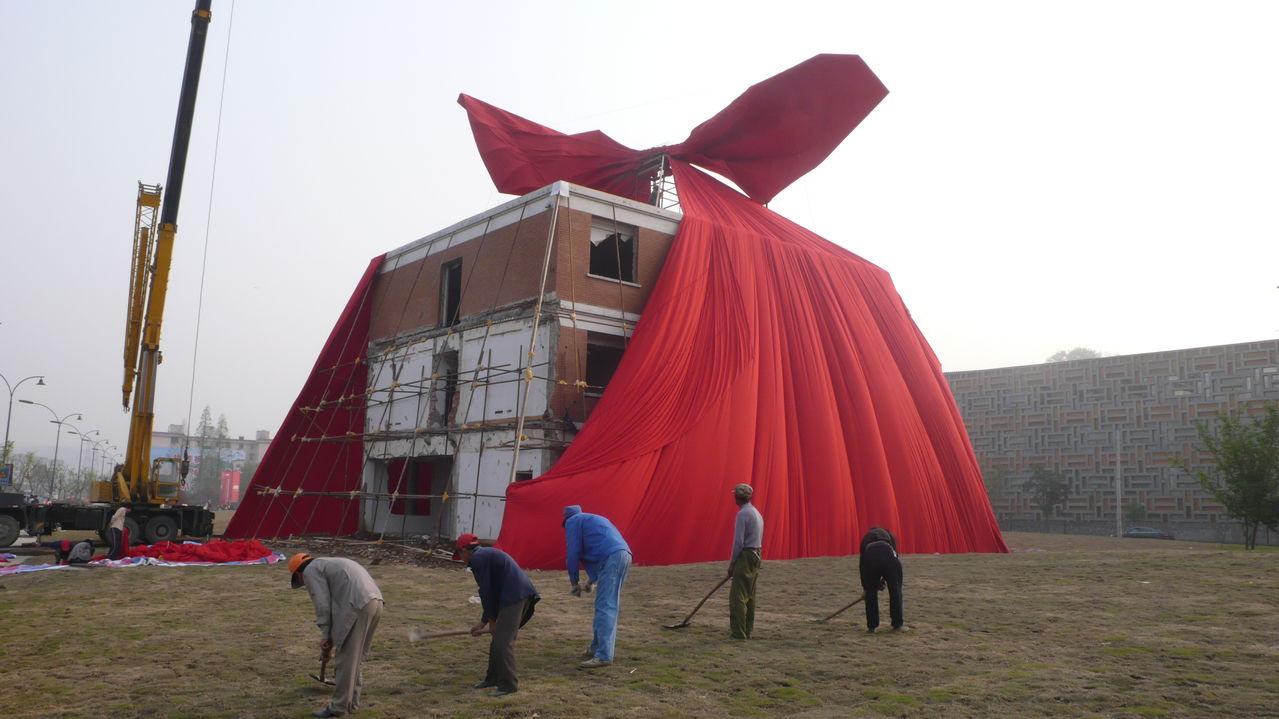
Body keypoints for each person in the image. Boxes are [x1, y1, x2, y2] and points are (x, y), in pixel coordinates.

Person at [289, 552, 384, 718]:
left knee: (345, 660)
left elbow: (322, 604)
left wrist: (326, 635)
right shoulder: (329, 563)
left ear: (298, 574)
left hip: (357, 605)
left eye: (301, 582)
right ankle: (352, 705)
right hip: (376, 602)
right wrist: (330, 639)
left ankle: (338, 708)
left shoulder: (310, 571)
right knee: (356, 659)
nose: (304, 584)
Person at [453, 533, 540, 697]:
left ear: (464, 550)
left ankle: (508, 685)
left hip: (515, 596)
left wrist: (492, 621)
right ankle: (492, 678)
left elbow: (487, 592)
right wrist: (483, 622)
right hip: (513, 595)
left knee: (502, 643)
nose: (460, 558)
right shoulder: (483, 555)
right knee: (498, 641)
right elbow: (489, 592)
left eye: (459, 554)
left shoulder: (478, 559)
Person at [562, 505, 631, 669]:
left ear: (565, 520)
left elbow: (573, 552)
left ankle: (604, 655)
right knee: (604, 605)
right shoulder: (592, 518)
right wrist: (592, 581)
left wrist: (574, 582)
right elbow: (599, 546)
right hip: (623, 555)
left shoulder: (572, 521)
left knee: (606, 606)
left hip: (611, 558)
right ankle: (596, 647)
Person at [727, 483, 764, 640]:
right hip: (756, 553)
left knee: (738, 597)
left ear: (737, 498)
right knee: (749, 595)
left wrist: (732, 563)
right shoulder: (756, 512)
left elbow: (738, 542)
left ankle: (738, 633)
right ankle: (747, 630)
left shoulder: (743, 514)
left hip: (746, 554)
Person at [858, 526, 904, 633]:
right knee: (895, 591)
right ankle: (897, 625)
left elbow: (863, 565)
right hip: (887, 553)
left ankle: (872, 627)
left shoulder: (865, 539)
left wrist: (866, 588)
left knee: (871, 594)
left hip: (870, 557)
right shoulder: (889, 535)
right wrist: (886, 579)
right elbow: (895, 556)